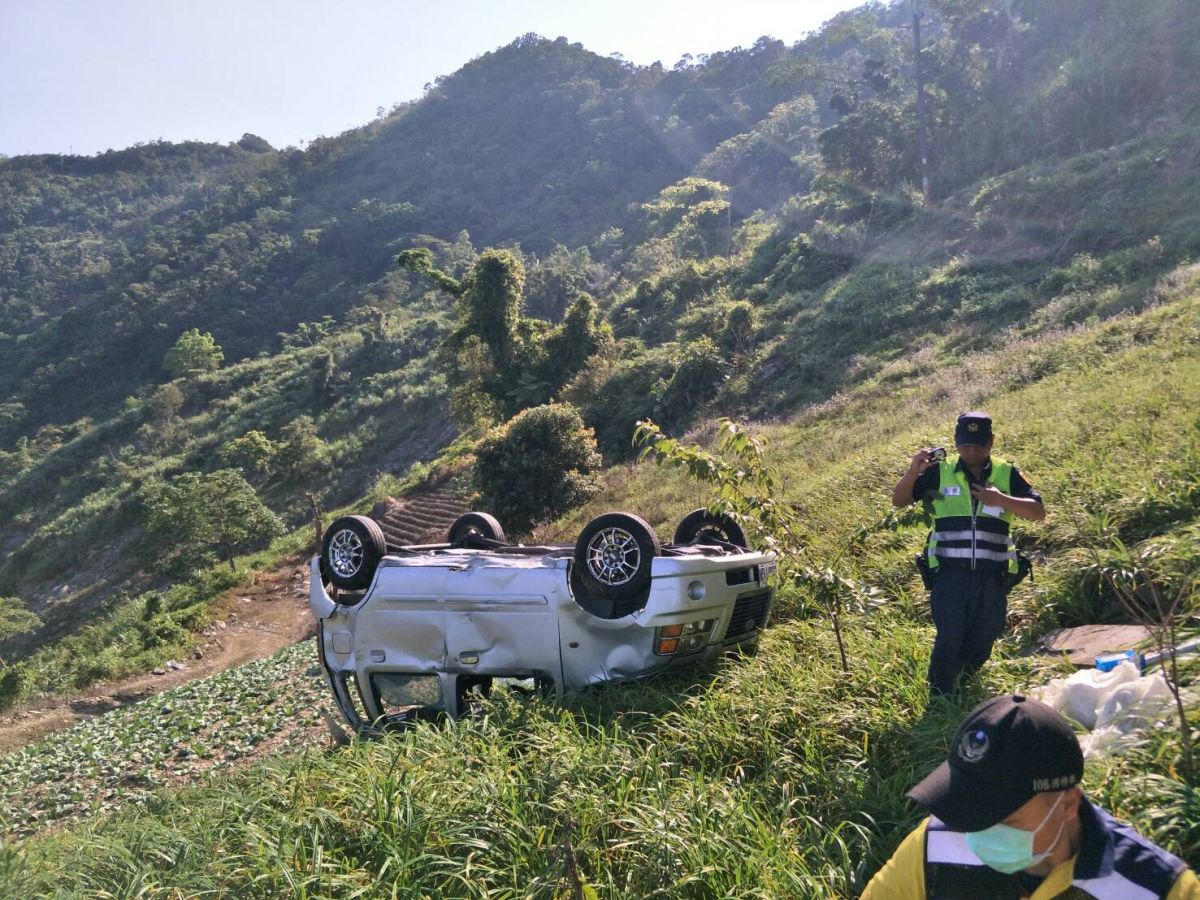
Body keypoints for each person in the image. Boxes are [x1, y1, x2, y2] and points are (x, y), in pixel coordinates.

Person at [863, 694, 1200, 898]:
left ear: (1068, 804)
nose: (976, 831)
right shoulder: (934, 844)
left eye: (1003, 816)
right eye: (967, 808)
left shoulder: (1157, 888)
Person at [892, 412, 1045, 696]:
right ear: (956, 442)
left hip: (993, 574)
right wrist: (913, 472)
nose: (972, 450)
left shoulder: (1006, 472)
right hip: (949, 572)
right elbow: (899, 500)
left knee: (985, 634)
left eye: (979, 444)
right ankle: (940, 696)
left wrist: (1000, 499)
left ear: (991, 442)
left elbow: (1038, 512)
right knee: (950, 634)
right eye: (965, 444)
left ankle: (964, 680)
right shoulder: (940, 471)